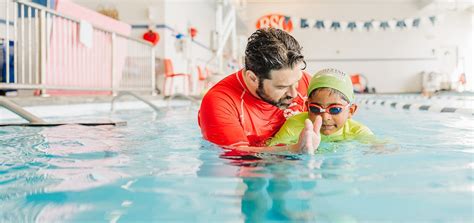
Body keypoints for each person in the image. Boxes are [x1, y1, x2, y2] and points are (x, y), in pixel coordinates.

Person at [198, 28, 314, 152]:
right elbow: (236, 155)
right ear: (252, 78)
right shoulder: (220, 102)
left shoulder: (306, 82)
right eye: (281, 87)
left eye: (296, 82)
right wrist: (293, 150)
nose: (294, 93)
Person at [268, 68, 374, 147]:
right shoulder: (295, 124)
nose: (325, 117)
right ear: (307, 107)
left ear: (351, 111)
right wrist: (295, 149)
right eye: (315, 109)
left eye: (335, 109)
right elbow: (270, 152)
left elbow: (380, 149)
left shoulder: (357, 131)